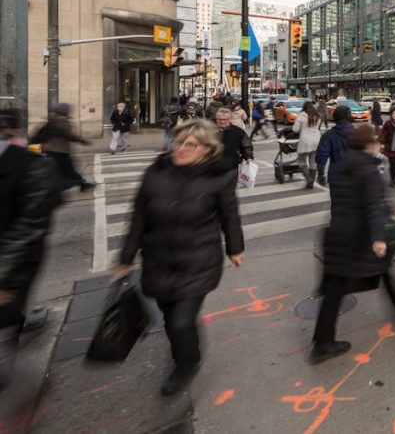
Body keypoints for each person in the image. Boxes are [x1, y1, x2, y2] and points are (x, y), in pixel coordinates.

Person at [115, 119, 244, 396]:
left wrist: (235, 247)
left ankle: (187, 362)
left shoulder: (218, 177)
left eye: (190, 145)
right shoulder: (156, 172)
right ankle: (183, 347)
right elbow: (138, 216)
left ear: (207, 150)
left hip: (199, 261)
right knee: (170, 316)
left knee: (180, 321)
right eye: (178, 142)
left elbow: (229, 215)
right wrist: (126, 257)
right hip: (158, 259)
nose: (181, 148)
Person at [312, 124, 395, 363]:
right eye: (375, 141)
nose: (379, 144)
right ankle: (322, 344)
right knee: (339, 287)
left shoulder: (344, 163)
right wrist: (378, 237)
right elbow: (372, 205)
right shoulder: (368, 168)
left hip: (339, 231)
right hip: (358, 236)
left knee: (376, 270)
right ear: (367, 144)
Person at [0, 109, 61, 393]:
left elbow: (31, 225)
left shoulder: (30, 165)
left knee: (5, 335)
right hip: (13, 264)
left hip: (15, 265)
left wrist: (4, 277)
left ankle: (29, 395)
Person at [30, 103, 93, 192]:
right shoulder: (62, 122)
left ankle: (82, 184)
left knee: (62, 170)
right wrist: (83, 141)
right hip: (60, 151)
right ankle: (80, 184)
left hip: (51, 150)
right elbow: (70, 136)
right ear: (65, 112)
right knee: (68, 170)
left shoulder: (52, 121)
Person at [210, 108, 255, 176]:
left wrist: (249, 157)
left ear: (230, 119)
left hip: (232, 166)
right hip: (213, 166)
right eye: (220, 119)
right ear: (216, 119)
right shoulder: (209, 131)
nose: (222, 122)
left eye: (225, 119)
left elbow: (246, 146)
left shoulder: (238, 132)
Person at [317, 106, 353, 186]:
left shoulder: (329, 135)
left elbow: (321, 156)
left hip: (336, 176)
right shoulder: (359, 134)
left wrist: (321, 174)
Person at [292, 101, 323, 189]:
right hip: (317, 140)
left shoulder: (301, 116)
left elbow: (295, 129)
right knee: (313, 162)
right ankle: (311, 183)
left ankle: (309, 179)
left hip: (305, 140)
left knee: (301, 161)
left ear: (304, 108)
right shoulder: (318, 115)